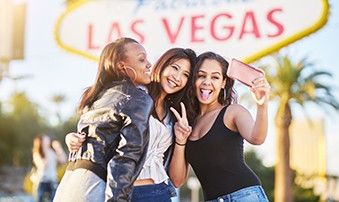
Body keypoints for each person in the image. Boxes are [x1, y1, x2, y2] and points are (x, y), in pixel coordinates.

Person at [65, 47, 197, 202]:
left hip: (160, 192)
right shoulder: (131, 96)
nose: (177, 77)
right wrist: (72, 138)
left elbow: (177, 181)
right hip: (124, 192)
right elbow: (96, 126)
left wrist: (181, 140)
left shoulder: (175, 116)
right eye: (175, 68)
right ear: (162, 65)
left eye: (185, 75)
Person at [53, 37, 154, 202]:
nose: (149, 64)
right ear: (122, 65)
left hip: (68, 183)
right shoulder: (137, 98)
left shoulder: (97, 96)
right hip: (93, 186)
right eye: (142, 59)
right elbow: (126, 158)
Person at [169, 52, 270, 202]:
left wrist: (262, 105)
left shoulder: (232, 112)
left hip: (245, 196)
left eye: (215, 77)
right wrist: (180, 140)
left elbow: (257, 138)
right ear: (193, 80)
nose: (207, 82)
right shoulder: (186, 121)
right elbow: (177, 181)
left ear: (223, 83)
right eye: (201, 75)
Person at [32, 134, 67, 202]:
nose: (48, 140)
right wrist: (46, 151)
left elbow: (63, 160)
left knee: (54, 199)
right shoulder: (37, 153)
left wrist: (58, 148)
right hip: (42, 181)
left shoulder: (52, 152)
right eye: (46, 139)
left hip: (53, 181)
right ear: (41, 142)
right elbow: (43, 166)